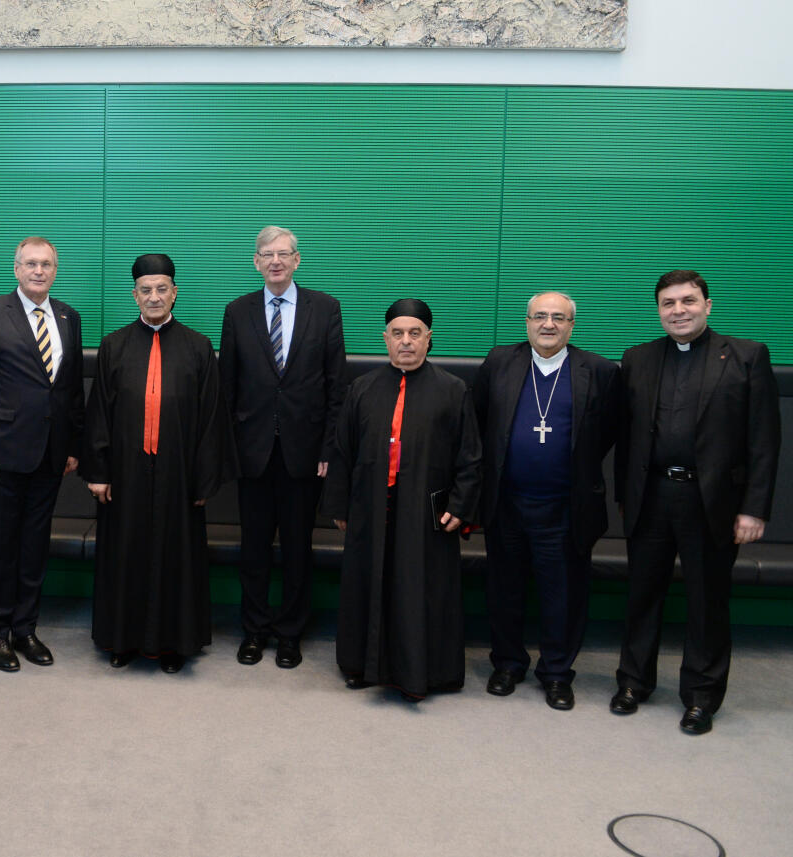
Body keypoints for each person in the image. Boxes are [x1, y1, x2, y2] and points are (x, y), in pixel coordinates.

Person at [612, 270, 779, 734]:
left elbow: (764, 441)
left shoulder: (746, 357)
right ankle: (633, 682)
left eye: (688, 301)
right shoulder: (638, 358)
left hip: (714, 503)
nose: (678, 310)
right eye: (668, 303)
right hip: (651, 498)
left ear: (708, 304)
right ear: (659, 310)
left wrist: (754, 508)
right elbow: (627, 438)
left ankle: (701, 696)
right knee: (642, 594)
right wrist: (627, 495)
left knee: (708, 600)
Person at [80, 254, 236, 673]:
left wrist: (203, 481)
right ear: (135, 295)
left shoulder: (199, 347)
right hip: (125, 475)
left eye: (161, 288)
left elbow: (210, 419)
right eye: (145, 290)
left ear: (174, 292)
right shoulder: (114, 345)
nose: (154, 297)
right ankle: (121, 639)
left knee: (175, 557)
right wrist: (98, 472)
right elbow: (98, 413)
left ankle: (173, 644)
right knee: (124, 554)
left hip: (178, 474)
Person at [322, 299, 481, 698]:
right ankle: (361, 665)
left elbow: (471, 456)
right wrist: (340, 505)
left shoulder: (453, 390)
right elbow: (343, 451)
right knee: (368, 584)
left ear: (429, 339)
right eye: (398, 334)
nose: (406, 342)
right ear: (385, 339)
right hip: (371, 509)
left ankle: (425, 673)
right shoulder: (362, 388)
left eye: (415, 334)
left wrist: (460, 506)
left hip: (426, 513)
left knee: (418, 590)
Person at [473, 292, 621, 710]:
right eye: (540, 316)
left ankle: (557, 673)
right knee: (504, 589)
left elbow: (606, 432)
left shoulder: (599, 370)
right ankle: (507, 664)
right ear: (527, 321)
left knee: (564, 595)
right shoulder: (501, 362)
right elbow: (479, 420)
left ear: (572, 325)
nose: (548, 324)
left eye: (559, 317)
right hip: (507, 502)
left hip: (565, 506)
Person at [219, 226, 345, 669]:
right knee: (252, 549)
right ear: (256, 262)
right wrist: (230, 449)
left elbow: (335, 387)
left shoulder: (325, 309)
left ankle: (290, 633)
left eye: (283, 254)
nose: (275, 261)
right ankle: (253, 631)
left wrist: (329, 448)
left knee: (297, 549)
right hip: (252, 452)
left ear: (296, 260)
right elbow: (227, 387)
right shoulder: (237, 312)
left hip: (305, 453)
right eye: (266, 255)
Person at [0, 237, 84, 672]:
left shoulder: (69, 317)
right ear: (16, 269)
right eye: (30, 263)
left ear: (55, 270)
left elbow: (70, 391)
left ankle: (25, 629)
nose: (39, 271)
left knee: (35, 547)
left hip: (50, 456)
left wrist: (72, 446)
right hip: (1, 456)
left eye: (47, 264)